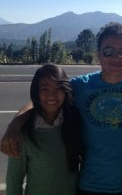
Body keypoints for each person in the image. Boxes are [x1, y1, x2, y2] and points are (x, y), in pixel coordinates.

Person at [1, 22, 122, 195]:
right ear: (98, 54)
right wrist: (15, 125)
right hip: (91, 186)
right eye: (109, 51)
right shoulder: (81, 86)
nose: (117, 57)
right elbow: (44, 98)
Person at [6, 64, 81, 195]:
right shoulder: (24, 133)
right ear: (36, 92)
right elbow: (14, 179)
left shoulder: (75, 122)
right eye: (45, 89)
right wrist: (14, 125)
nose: (52, 95)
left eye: (58, 89)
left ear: (65, 91)